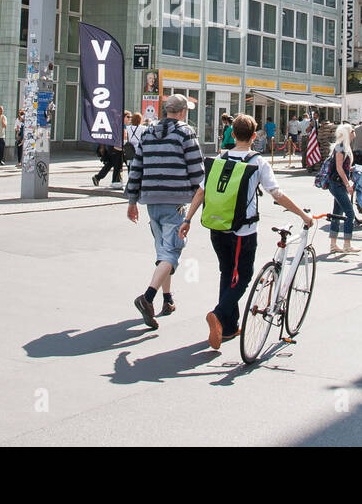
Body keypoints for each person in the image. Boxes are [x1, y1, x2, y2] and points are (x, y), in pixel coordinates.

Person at [183, 113, 313, 350]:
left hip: (217, 225)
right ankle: (219, 314)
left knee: (226, 272)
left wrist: (188, 219)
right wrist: (303, 215)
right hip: (243, 229)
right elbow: (277, 194)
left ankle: (230, 328)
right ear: (254, 136)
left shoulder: (220, 158)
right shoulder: (257, 162)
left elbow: (201, 191)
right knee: (242, 276)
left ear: (232, 135)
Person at [125, 94, 204, 329]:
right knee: (172, 251)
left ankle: (167, 299)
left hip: (151, 200)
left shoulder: (148, 133)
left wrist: (131, 201)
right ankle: (147, 298)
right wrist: (199, 198)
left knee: (163, 251)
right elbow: (197, 170)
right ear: (181, 112)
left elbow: (136, 167)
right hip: (175, 200)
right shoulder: (185, 132)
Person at [325, 122, 362, 256]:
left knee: (337, 214)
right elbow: (339, 167)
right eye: (352, 130)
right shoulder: (341, 147)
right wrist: (348, 184)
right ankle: (347, 244)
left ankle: (333, 244)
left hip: (337, 183)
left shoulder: (344, 147)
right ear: (348, 133)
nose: (354, 132)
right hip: (337, 184)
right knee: (350, 214)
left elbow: (342, 167)